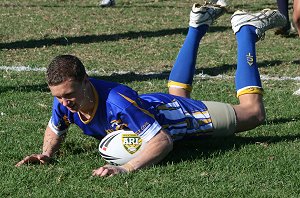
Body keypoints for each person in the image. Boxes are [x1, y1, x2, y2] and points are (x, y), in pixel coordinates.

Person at [15, 3, 286, 177]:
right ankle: (198, 24)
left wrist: (125, 169)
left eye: (68, 95)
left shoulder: (117, 102)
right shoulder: (65, 98)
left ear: (86, 81)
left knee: (253, 114)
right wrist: (47, 154)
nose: (64, 103)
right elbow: (55, 127)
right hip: (153, 108)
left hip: (173, 118)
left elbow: (162, 141)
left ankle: (247, 30)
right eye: (58, 97)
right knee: (176, 97)